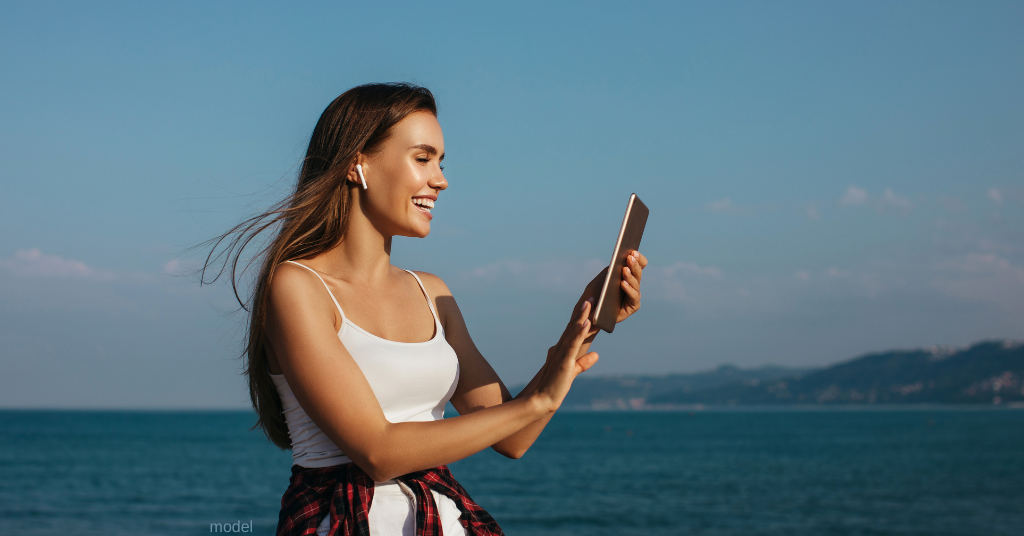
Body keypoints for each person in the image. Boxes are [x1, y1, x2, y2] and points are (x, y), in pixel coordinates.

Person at [201, 83, 648, 536]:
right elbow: (379, 452)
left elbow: (514, 436)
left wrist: (585, 323)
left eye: (441, 162)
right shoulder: (298, 287)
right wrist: (537, 401)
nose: (441, 179)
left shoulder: (433, 293)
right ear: (358, 163)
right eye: (422, 158)